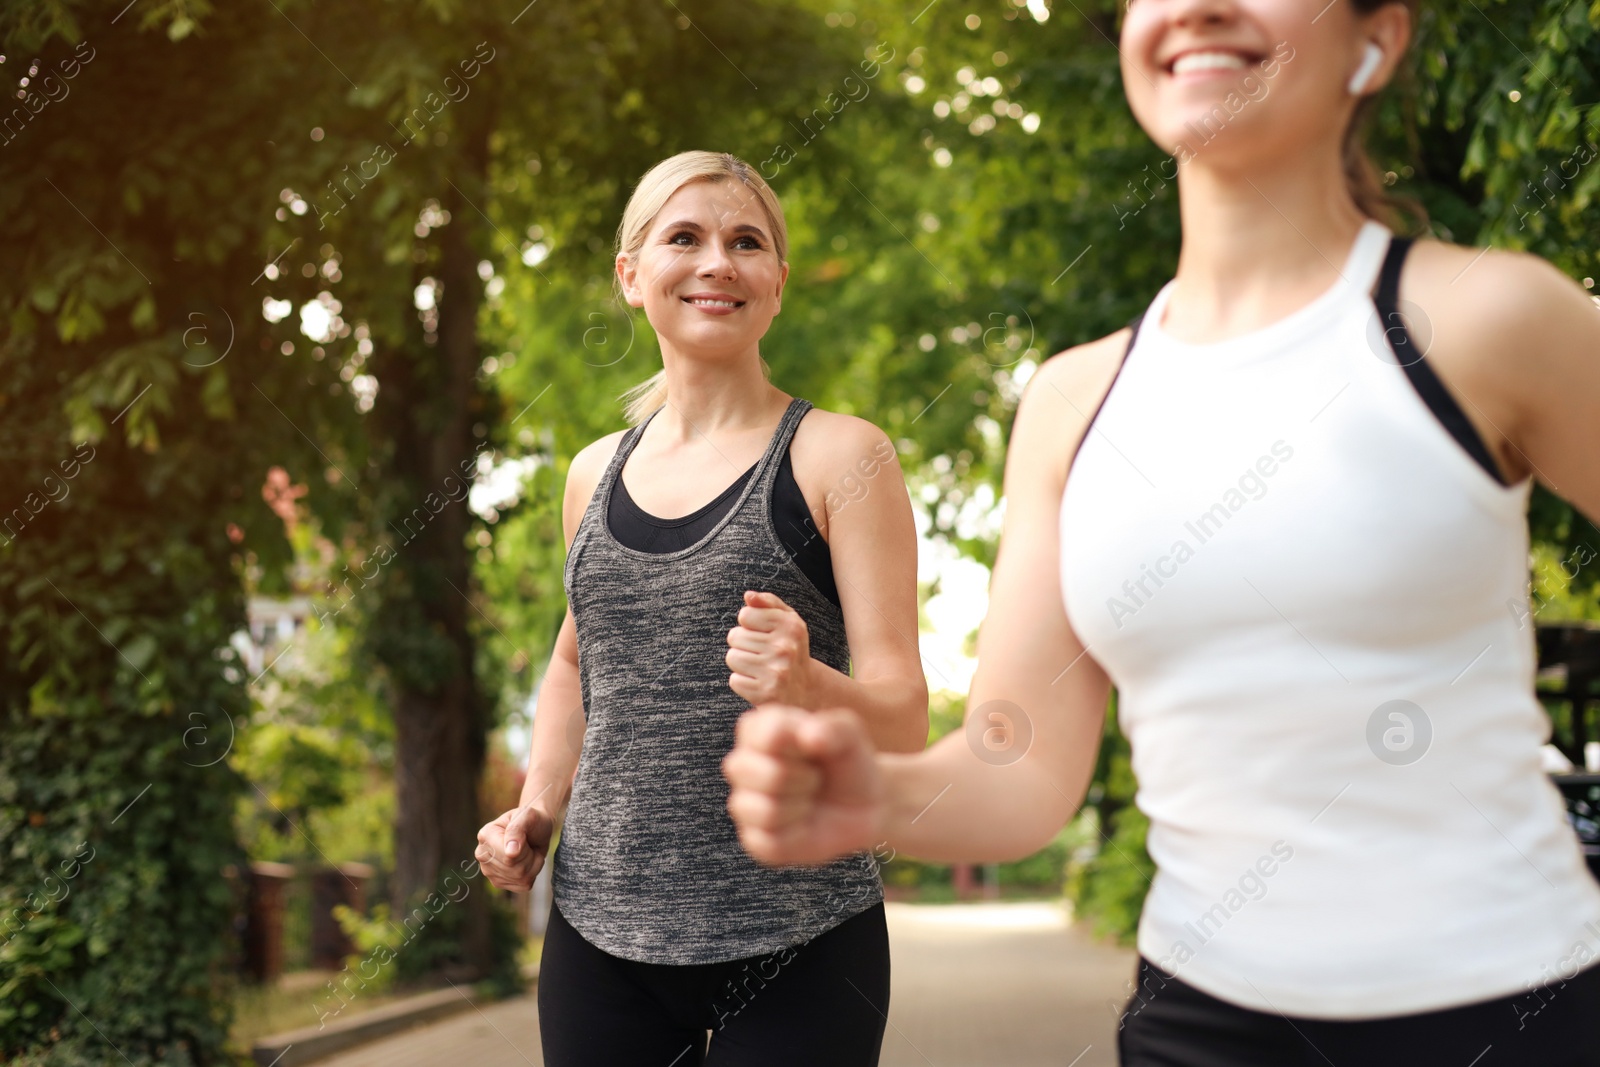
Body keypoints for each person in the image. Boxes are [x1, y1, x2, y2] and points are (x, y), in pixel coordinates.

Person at [721, 1, 1600, 1064]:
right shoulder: (1070, 402)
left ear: (1378, 37)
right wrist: (875, 792)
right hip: (1198, 1024)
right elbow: (1017, 771)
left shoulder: (1489, 317)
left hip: (1511, 1015)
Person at [474, 150, 927, 1067]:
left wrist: (807, 682)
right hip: (601, 931)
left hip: (803, 931)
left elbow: (906, 716)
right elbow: (574, 663)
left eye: (746, 241)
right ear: (632, 276)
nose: (718, 262)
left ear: (778, 283)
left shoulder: (842, 457)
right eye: (685, 237)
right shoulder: (591, 475)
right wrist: (535, 807)